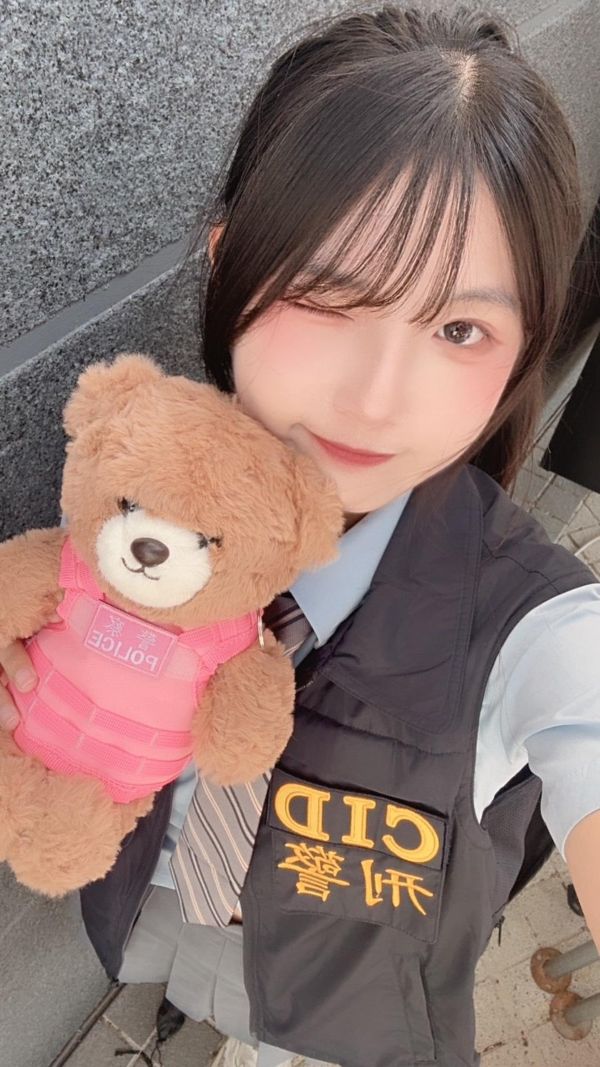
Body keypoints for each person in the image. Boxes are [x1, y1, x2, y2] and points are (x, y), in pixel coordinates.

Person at [2, 6, 600, 1067]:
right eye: (328, 297)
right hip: (148, 902)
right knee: (170, 964)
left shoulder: (531, 624)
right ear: (230, 263)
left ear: (523, 350)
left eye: (459, 328)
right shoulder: (141, 500)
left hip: (346, 1008)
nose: (376, 398)